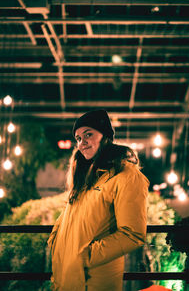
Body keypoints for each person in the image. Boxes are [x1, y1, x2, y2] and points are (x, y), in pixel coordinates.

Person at [48, 109, 149, 291]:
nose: (82, 142)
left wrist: (85, 256)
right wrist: (56, 242)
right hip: (67, 279)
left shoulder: (126, 176)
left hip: (94, 281)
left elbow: (132, 234)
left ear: (105, 136)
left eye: (88, 134)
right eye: (78, 138)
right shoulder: (87, 178)